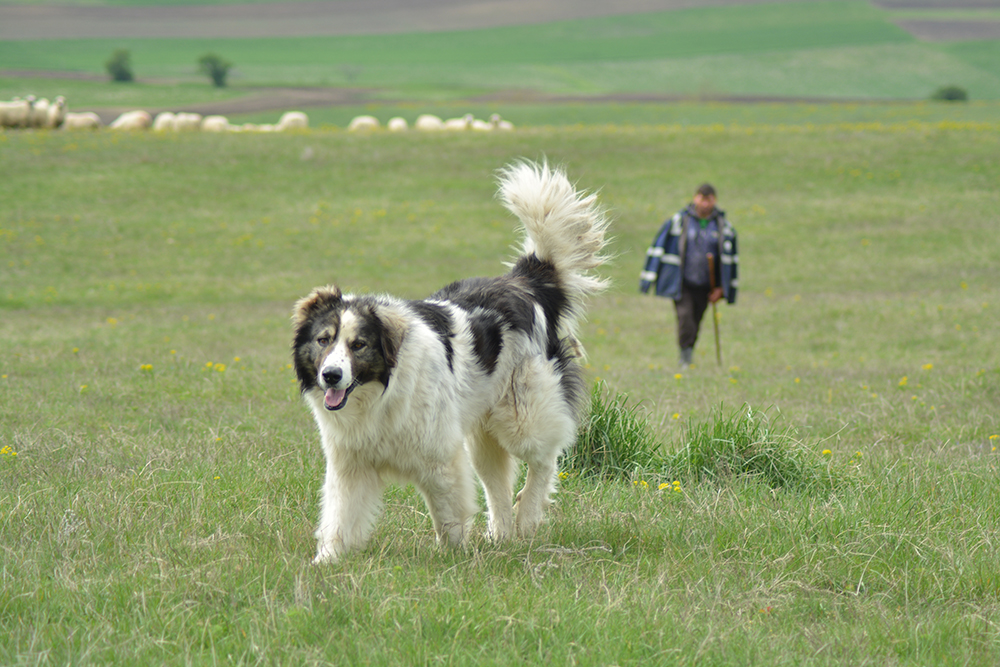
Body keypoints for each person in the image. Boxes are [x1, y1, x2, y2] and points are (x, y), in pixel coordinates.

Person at [640, 183, 738, 368]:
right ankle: (685, 358)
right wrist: (648, 279)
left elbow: (730, 261)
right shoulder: (679, 221)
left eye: (708, 199)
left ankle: (688, 352)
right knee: (685, 318)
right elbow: (658, 246)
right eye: (701, 198)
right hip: (683, 282)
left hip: (706, 285)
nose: (705, 203)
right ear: (695, 198)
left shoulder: (724, 228)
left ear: (714, 200)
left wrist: (722, 288)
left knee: (696, 321)